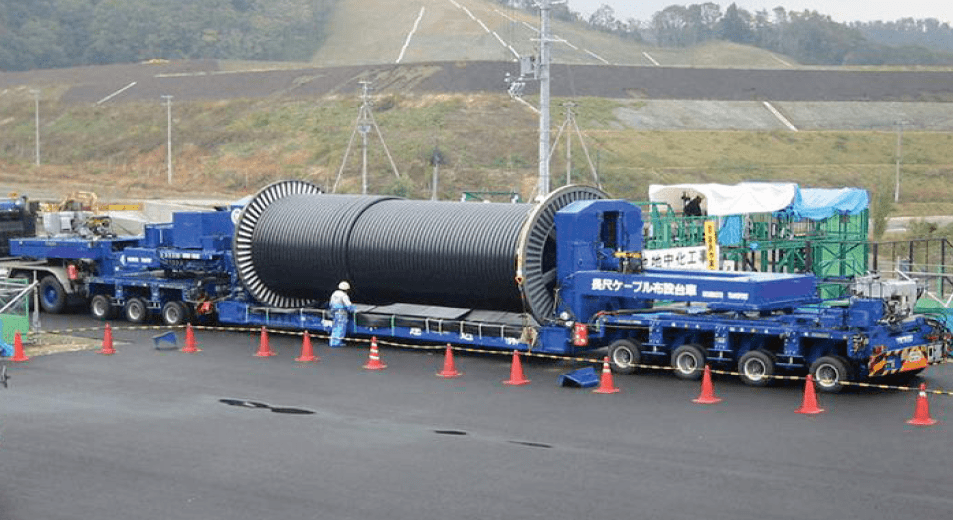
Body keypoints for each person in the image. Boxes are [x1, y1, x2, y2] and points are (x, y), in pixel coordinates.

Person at [329, 281, 354, 348]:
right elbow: (348, 305)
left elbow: (330, 303)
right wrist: (353, 310)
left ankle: (332, 342)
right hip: (341, 313)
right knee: (341, 328)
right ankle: (337, 342)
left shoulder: (335, 293)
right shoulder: (344, 296)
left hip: (334, 312)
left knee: (335, 327)